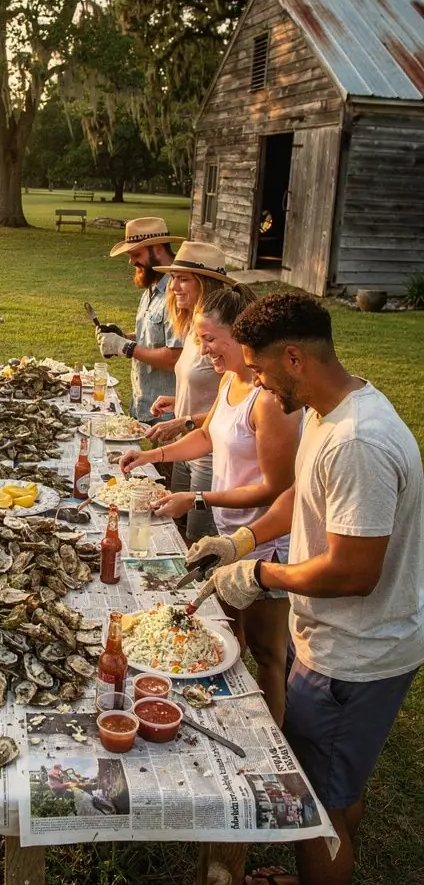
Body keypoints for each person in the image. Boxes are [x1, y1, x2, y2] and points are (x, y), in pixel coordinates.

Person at [193, 292, 423, 885]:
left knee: (319, 802)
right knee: (333, 788)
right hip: (334, 644)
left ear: (293, 357)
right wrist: (241, 539)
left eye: (261, 370)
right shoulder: (329, 410)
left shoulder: (359, 440)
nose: (258, 384)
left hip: (356, 654)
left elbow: (355, 571)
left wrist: (264, 576)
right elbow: (303, 496)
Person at [121, 281, 301, 723]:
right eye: (200, 340)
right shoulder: (230, 381)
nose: (203, 350)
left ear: (240, 336)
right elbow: (206, 435)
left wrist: (196, 498)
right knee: (231, 636)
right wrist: (153, 456)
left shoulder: (268, 401)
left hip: (267, 542)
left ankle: (276, 736)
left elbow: (277, 488)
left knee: (268, 653)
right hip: (229, 535)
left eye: (210, 340)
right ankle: (233, 717)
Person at [143, 242, 228, 542]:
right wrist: (178, 402)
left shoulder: (221, 336)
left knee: (197, 540)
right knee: (173, 528)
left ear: (205, 284)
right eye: (173, 278)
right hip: (186, 446)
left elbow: (232, 407)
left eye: (183, 279)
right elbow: (205, 387)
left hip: (210, 455)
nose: (173, 286)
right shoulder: (194, 326)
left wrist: (185, 420)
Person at [94, 217, 182, 424]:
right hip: (145, 405)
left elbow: (176, 358)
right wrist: (123, 337)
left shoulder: (178, 293)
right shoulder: (153, 285)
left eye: (136, 255)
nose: (131, 262)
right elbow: (155, 338)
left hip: (167, 414)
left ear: (157, 249)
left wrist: (126, 347)